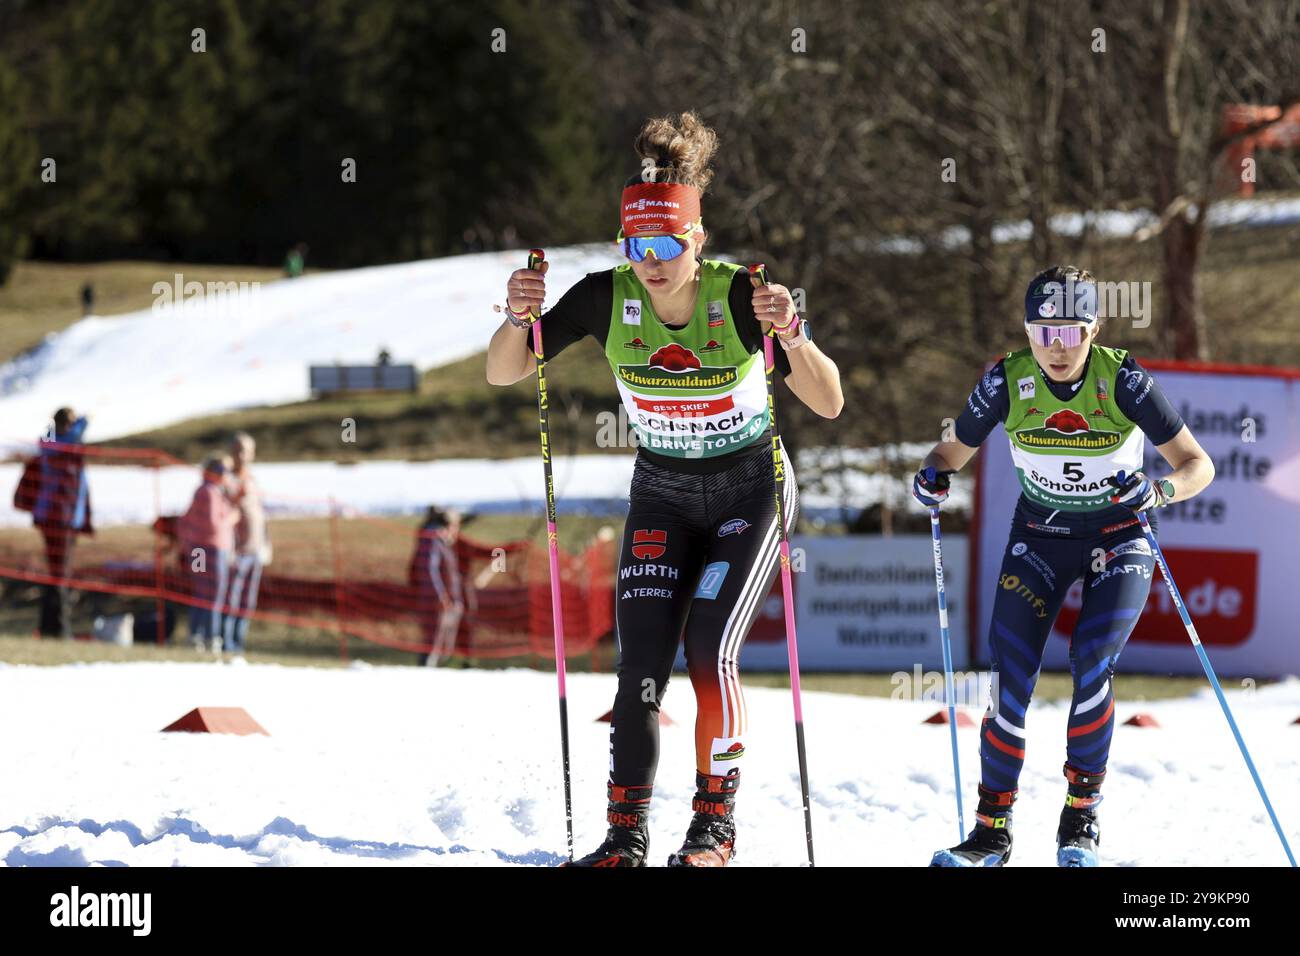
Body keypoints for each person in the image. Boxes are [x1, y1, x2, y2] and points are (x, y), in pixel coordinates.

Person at [486, 112, 843, 867]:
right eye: (637, 246)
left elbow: (830, 402)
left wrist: (796, 337)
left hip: (751, 492)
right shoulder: (602, 297)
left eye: (667, 246)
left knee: (709, 650)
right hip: (663, 493)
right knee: (640, 662)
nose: (652, 262)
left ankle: (714, 829)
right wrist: (519, 316)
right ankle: (625, 837)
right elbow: (506, 368)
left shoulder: (742, 296)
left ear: (697, 240)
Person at [913, 265, 1216, 867]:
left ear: (1094, 328)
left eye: (1071, 331)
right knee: (1010, 679)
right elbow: (950, 450)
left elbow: (1197, 464)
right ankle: (990, 832)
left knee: (1091, 663)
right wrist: (933, 475)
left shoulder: (1122, 379)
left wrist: (1159, 493)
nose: (1057, 346)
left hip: (1120, 535)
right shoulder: (1007, 380)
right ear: (1027, 331)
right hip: (1041, 536)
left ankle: (1080, 820)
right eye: (1042, 330)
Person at [32, 408, 93, 638]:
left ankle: (50, 626)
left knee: (57, 572)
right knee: (60, 573)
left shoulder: (57, 442)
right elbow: (73, 434)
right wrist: (79, 422)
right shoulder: (61, 443)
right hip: (58, 517)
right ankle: (59, 627)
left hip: (60, 517)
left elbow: (61, 437)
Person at [177, 454, 240, 654]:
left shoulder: (203, 491)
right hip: (211, 549)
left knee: (200, 592)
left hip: (197, 549)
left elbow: (185, 520)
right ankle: (210, 637)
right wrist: (231, 517)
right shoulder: (210, 492)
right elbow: (214, 524)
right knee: (213, 594)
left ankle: (196, 634)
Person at [223, 433, 271, 661]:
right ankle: (225, 642)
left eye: (246, 450)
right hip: (236, 552)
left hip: (256, 550)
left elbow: (261, 515)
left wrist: (266, 544)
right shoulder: (226, 481)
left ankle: (238, 643)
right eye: (238, 449)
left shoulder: (253, 481)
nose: (242, 455)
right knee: (230, 598)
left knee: (247, 601)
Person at [409, 506, 465, 667]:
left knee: (444, 649)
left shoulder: (444, 542)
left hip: (450, 603)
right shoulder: (432, 540)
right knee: (432, 646)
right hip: (437, 603)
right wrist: (440, 595)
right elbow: (429, 569)